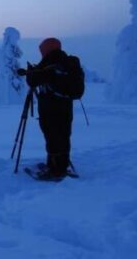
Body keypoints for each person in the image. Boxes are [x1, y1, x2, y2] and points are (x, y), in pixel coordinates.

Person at [23, 38, 84, 181]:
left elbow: (33, 81)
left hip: (51, 108)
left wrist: (31, 72)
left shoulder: (49, 62)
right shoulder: (67, 63)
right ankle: (61, 165)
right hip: (66, 107)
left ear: (46, 49)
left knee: (52, 137)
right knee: (63, 135)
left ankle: (56, 171)